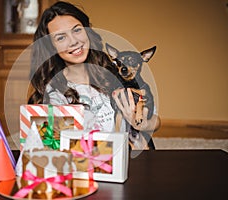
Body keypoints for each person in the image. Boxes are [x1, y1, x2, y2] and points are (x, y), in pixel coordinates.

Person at [27, 1, 160, 149]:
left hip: (131, 159)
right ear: (51, 46)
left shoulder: (114, 71)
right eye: (61, 38)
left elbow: (155, 121)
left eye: (77, 30)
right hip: (84, 165)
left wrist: (143, 124)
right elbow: (52, 147)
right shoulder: (54, 93)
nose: (74, 41)